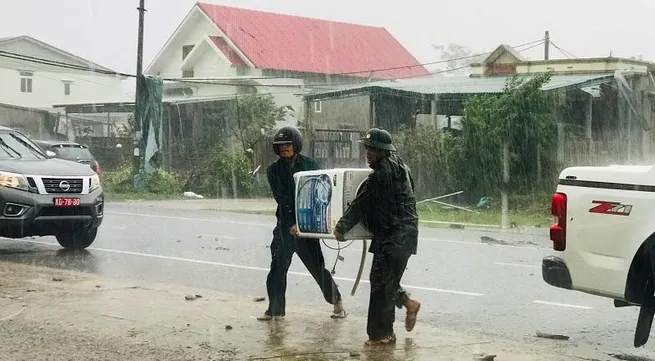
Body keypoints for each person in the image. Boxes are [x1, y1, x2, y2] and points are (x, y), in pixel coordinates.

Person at [333, 127, 421, 346]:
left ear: (383, 151)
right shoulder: (401, 165)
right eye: (367, 148)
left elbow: (360, 204)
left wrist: (341, 227)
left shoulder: (380, 175)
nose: (368, 153)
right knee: (386, 282)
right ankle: (407, 307)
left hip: (394, 235)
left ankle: (381, 335)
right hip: (407, 234)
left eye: (372, 149)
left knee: (380, 285)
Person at [258, 125, 347, 321]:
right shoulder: (274, 170)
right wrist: (290, 223)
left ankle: (337, 301)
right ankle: (275, 310)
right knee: (278, 268)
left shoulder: (310, 164)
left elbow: (319, 194)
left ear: (296, 144)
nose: (284, 148)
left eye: (288, 144)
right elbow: (282, 198)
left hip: (307, 227)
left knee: (317, 267)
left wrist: (309, 223)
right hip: (284, 228)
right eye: (280, 145)